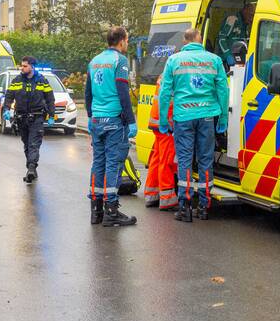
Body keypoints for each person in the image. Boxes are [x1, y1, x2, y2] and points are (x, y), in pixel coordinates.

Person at [158, 27, 229, 222]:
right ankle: (204, 207)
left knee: (185, 160)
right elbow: (223, 90)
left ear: (185, 41)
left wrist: (164, 120)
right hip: (207, 116)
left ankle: (185, 207)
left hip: (183, 117)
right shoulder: (214, 60)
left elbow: (165, 93)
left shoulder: (174, 60)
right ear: (199, 39)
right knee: (206, 160)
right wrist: (223, 118)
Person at [85, 27, 138, 228]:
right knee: (113, 163)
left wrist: (90, 116)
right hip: (115, 120)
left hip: (98, 120)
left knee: (98, 162)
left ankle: (96, 210)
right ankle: (112, 211)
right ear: (122, 41)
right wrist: (131, 120)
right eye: (127, 40)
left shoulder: (95, 61)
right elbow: (123, 92)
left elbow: (88, 92)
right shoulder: (120, 61)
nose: (127, 44)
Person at [3, 56, 55, 183]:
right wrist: (6, 109)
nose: (22, 68)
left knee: (33, 144)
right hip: (21, 118)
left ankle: (31, 168)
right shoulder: (17, 80)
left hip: (36, 117)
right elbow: (9, 96)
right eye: (22, 66)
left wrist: (51, 115)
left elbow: (50, 99)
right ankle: (32, 169)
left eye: (25, 66)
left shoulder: (42, 81)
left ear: (32, 66)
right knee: (26, 144)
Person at [144, 74, 178, 211]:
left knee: (157, 159)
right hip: (166, 123)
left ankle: (151, 195)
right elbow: (172, 102)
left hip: (156, 121)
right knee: (166, 160)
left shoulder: (164, 75)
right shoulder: (175, 76)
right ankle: (167, 199)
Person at [216, 2, 255, 67]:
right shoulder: (233, 19)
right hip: (225, 61)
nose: (252, 18)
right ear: (245, 11)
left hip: (239, 60)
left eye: (253, 16)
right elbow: (221, 39)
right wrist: (227, 55)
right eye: (251, 15)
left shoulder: (246, 25)